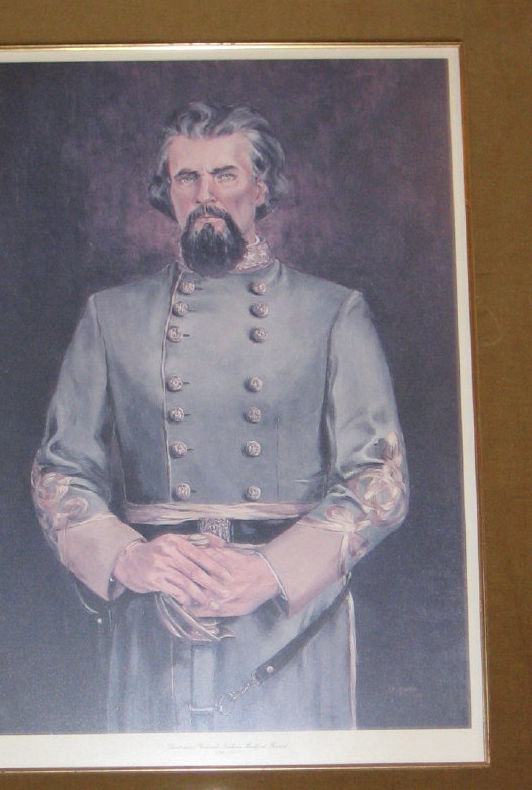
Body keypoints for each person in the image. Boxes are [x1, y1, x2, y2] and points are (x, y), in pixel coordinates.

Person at [31, 101, 408, 733]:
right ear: (169, 193)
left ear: (261, 188)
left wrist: (270, 572)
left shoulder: (334, 312)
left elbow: (380, 479)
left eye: (224, 175)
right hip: (154, 612)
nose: (205, 195)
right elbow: (60, 471)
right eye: (188, 177)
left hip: (290, 618)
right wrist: (128, 559)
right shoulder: (110, 315)